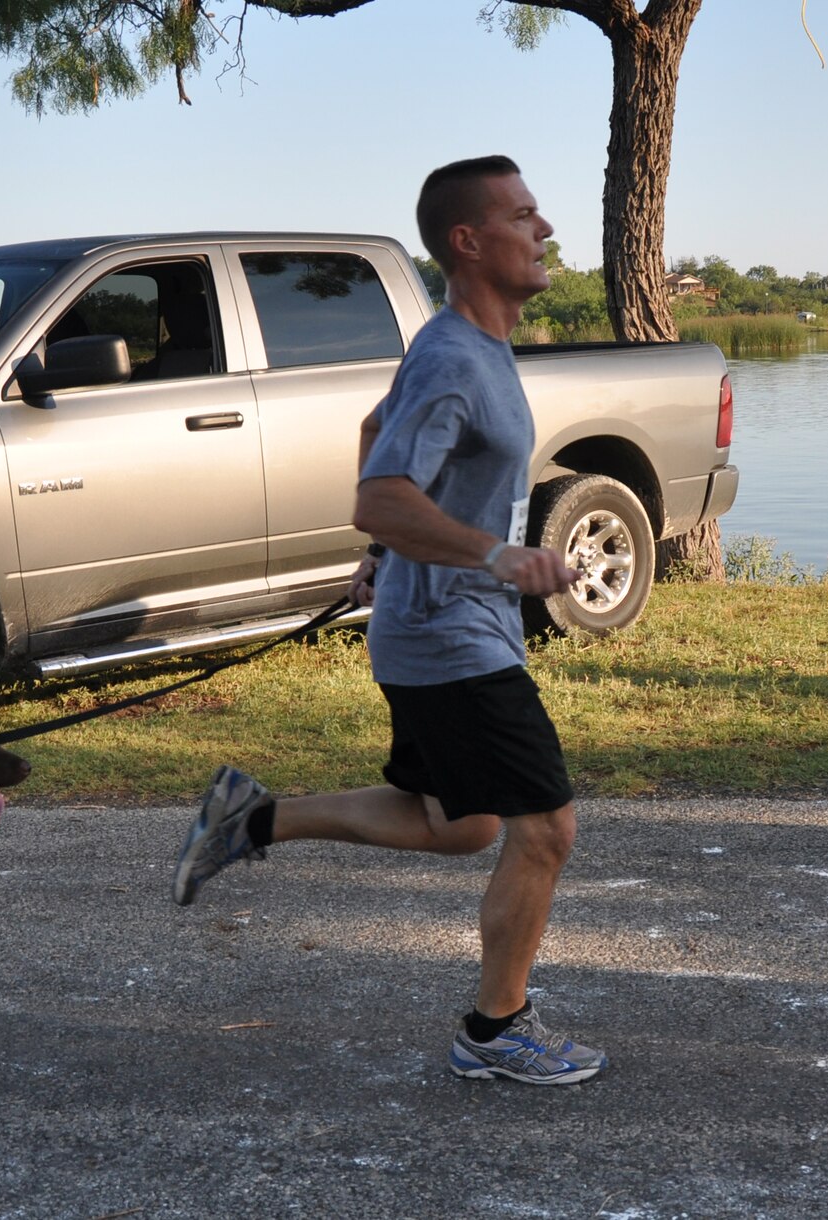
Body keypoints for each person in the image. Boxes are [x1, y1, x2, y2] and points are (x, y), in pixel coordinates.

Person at [171, 155, 606, 1086]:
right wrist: (488, 554)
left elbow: (377, 431)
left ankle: (251, 820)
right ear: (469, 241)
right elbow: (379, 493)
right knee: (546, 828)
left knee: (463, 824)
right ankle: (497, 1031)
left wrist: (394, 556)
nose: (546, 230)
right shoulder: (454, 356)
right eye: (525, 216)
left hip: (442, 626)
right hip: (452, 636)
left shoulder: (465, 348)